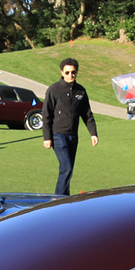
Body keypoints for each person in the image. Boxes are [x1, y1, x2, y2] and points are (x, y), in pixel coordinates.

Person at [42, 58, 99, 196]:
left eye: (73, 72)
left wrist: (93, 133)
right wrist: (47, 137)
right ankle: (58, 199)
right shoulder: (54, 90)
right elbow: (46, 114)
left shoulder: (80, 91)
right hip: (57, 135)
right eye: (67, 72)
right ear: (62, 72)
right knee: (66, 168)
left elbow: (87, 114)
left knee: (68, 169)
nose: (70, 75)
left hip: (73, 136)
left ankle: (64, 198)